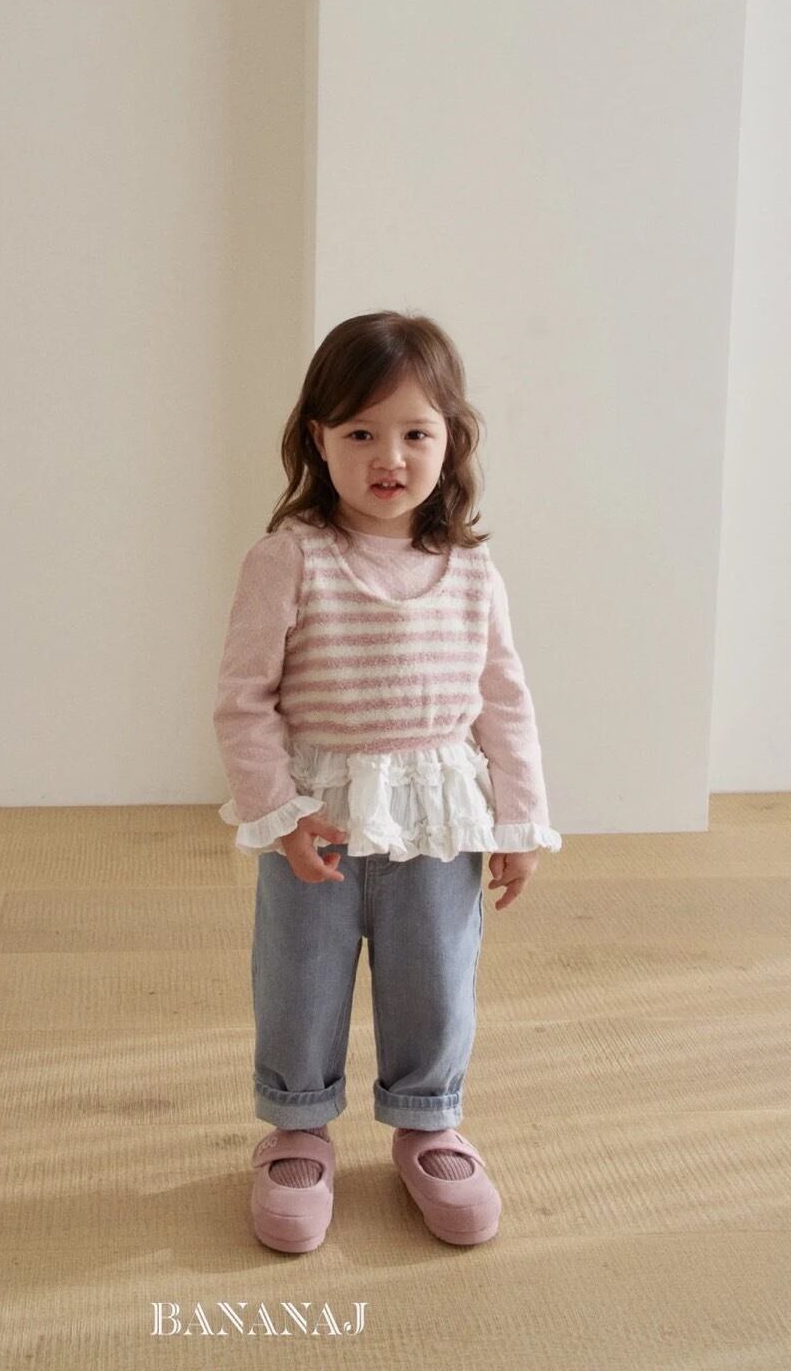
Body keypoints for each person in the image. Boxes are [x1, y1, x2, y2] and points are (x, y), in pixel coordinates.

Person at [212, 309, 562, 1254]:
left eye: (415, 433)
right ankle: (296, 1126)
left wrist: (519, 822)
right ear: (317, 439)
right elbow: (244, 701)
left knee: (436, 979)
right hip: (317, 825)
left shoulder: (471, 570)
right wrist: (278, 813)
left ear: (452, 442)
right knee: (299, 979)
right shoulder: (288, 559)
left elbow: (505, 701)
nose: (389, 457)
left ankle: (428, 1120)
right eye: (361, 433)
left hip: (439, 824)